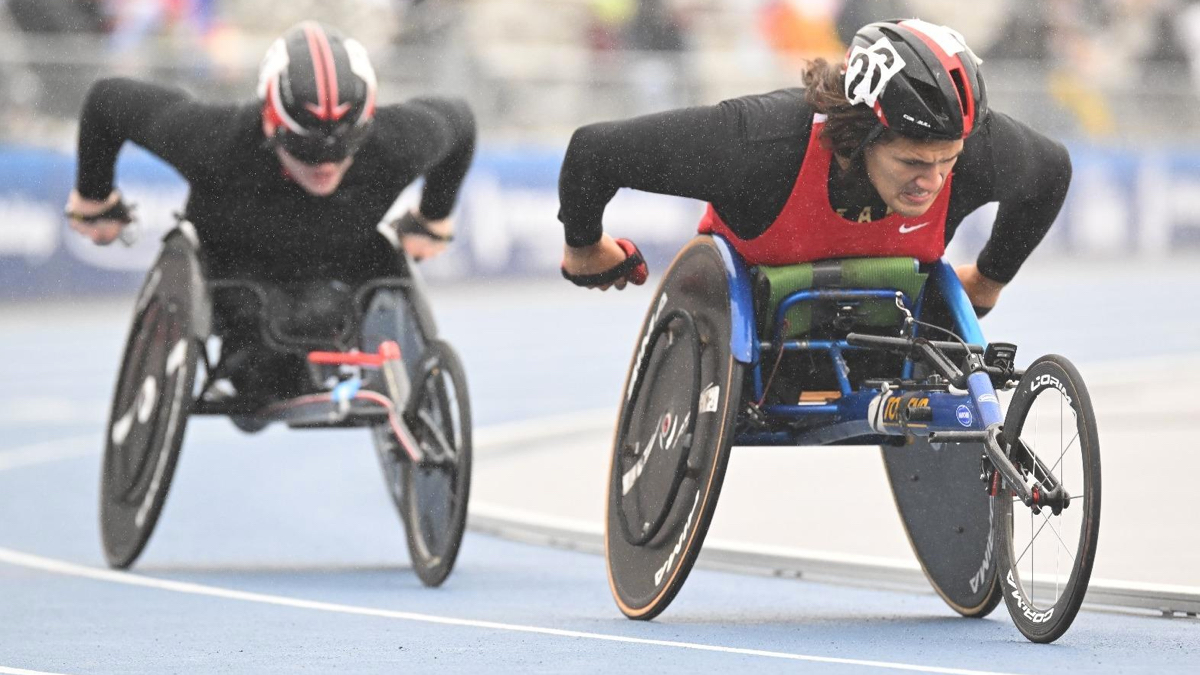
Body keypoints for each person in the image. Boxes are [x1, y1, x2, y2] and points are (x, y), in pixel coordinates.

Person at [65, 20, 476, 407]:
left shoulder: (397, 141)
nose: (325, 166)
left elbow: (462, 121)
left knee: (332, 303)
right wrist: (94, 196)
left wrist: (432, 217)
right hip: (235, 281)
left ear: (365, 127)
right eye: (306, 151)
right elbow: (107, 101)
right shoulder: (215, 140)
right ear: (269, 123)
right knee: (260, 381)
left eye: (341, 150)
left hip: (337, 278)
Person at [557, 19, 1071, 318]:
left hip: (887, 317)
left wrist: (987, 281)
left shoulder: (978, 147)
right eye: (912, 161)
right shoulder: (758, 144)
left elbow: (1052, 172)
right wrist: (585, 248)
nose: (933, 182)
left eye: (947, 161)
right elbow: (595, 150)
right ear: (859, 133)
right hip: (751, 309)